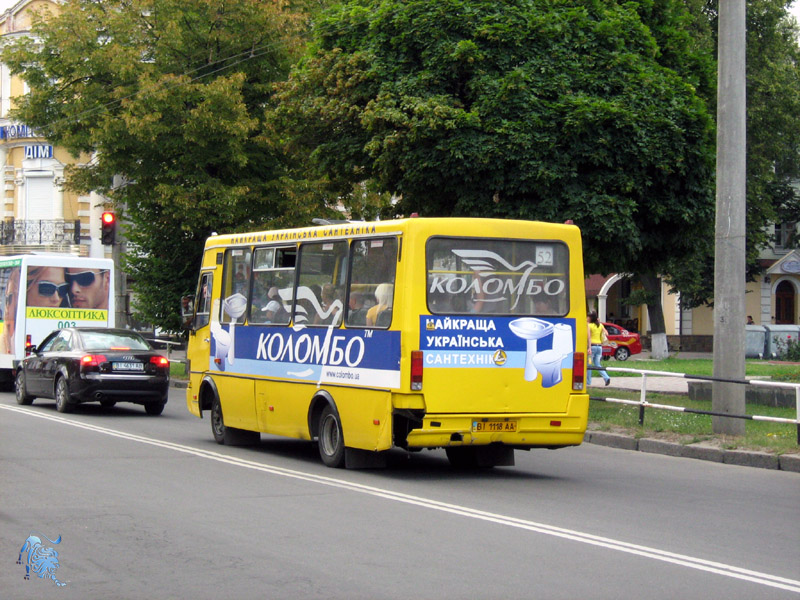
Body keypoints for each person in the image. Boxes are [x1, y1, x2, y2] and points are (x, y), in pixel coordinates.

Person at [587, 310, 610, 386]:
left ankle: (588, 382)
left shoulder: (589, 326)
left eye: (588, 317)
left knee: (589, 364)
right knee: (597, 364)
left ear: (591, 318)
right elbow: (606, 333)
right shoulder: (600, 325)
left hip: (592, 347)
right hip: (599, 347)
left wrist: (589, 348)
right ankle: (606, 377)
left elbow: (589, 338)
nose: (587, 318)